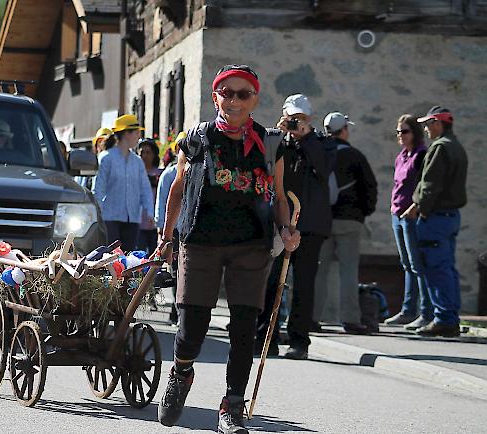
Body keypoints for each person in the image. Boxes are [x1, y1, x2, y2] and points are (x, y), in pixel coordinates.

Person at [155, 64, 300, 434]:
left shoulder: (270, 143)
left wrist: (286, 229)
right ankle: (182, 372)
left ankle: (232, 406)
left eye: (243, 94)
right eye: (227, 93)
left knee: (244, 328)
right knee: (192, 327)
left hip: (250, 245)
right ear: (214, 96)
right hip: (200, 241)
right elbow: (177, 190)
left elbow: (280, 197)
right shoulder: (197, 138)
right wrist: (167, 237)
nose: (234, 101)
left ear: (255, 99)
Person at [256, 94, 334, 360]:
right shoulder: (278, 140)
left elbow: (323, 169)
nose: (295, 123)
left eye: (301, 118)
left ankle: (299, 341)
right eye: (292, 118)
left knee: (303, 285)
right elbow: (264, 166)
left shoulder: (322, 142)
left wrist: (307, 137)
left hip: (310, 226)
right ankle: (266, 337)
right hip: (280, 221)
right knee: (271, 281)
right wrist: (279, 135)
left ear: (309, 119)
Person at [313, 112, 378, 334]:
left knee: (318, 271)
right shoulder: (354, 156)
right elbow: (370, 187)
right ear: (344, 130)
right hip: (350, 220)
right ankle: (350, 320)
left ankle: (312, 318)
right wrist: (363, 213)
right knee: (349, 271)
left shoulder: (319, 152)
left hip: (321, 220)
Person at [407, 106, 467, 337]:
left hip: (436, 217)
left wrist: (421, 208)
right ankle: (449, 316)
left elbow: (430, 185)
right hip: (450, 216)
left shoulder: (440, 148)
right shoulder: (456, 146)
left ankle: (443, 319)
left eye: (429, 123)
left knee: (436, 268)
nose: (425, 128)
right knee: (447, 268)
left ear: (439, 123)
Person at [384, 114, 433, 330]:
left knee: (418, 264)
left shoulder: (422, 155)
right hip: (397, 214)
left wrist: (414, 208)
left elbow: (423, 185)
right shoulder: (402, 156)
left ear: (415, 132)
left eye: (405, 131)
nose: (401, 136)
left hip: (412, 215)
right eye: (398, 132)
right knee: (406, 264)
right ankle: (407, 310)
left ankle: (426, 312)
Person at [92, 114, 154, 251]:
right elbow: (98, 189)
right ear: (127, 133)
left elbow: (145, 189)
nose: (139, 136)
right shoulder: (106, 158)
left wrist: (150, 212)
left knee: (128, 260)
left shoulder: (137, 162)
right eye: (137, 132)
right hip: (110, 219)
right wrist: (98, 215)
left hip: (132, 219)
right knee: (111, 259)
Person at [155, 131, 186, 325]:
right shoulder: (168, 174)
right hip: (173, 228)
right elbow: (162, 203)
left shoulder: (192, 171)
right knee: (175, 271)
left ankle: (181, 310)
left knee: (186, 271)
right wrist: (162, 230)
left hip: (187, 228)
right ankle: (176, 310)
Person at [137, 138, 163, 253]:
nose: (145, 156)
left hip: (154, 224)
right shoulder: (134, 173)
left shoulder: (160, 175)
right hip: (138, 222)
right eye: (142, 152)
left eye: (148, 152)